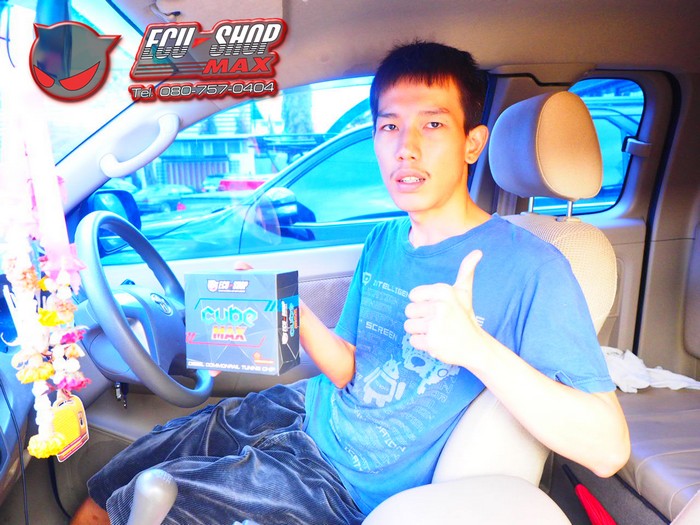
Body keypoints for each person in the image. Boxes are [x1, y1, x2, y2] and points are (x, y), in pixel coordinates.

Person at [72, 41, 630, 525]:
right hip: (299, 411)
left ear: (472, 143)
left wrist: (474, 348)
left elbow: (607, 449)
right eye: (390, 126)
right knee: (120, 477)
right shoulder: (385, 239)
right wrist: (287, 308)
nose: (406, 147)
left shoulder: (537, 268)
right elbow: (347, 369)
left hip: (340, 484)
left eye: (433, 124)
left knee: (144, 505)